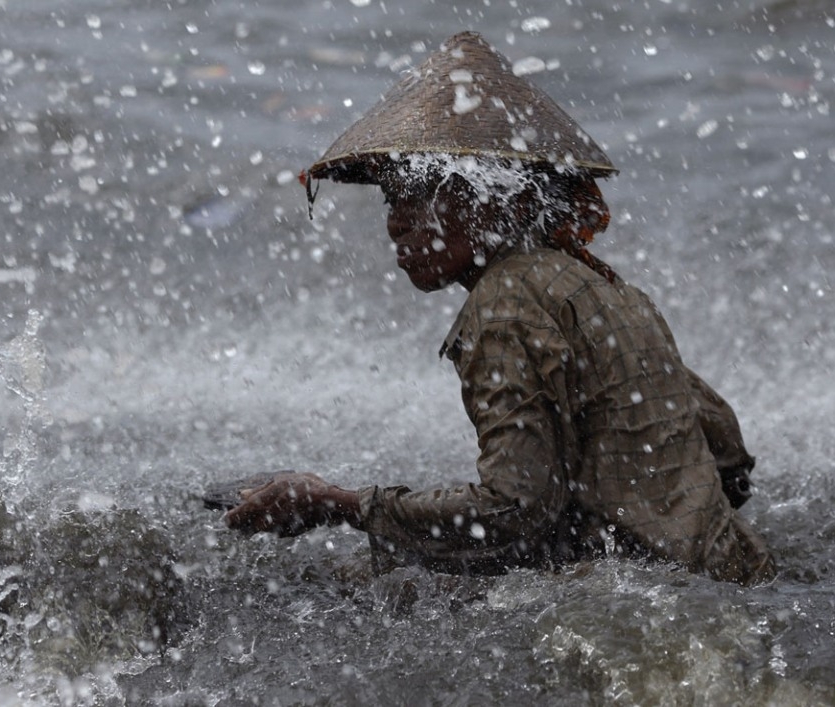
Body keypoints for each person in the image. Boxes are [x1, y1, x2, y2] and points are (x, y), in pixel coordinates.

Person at [205, 32, 776, 585]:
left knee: (358, 587)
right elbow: (726, 451)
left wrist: (340, 504)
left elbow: (514, 508)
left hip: (654, 602)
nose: (396, 222)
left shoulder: (502, 306)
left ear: (497, 200)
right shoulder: (608, 290)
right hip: (735, 573)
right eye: (389, 198)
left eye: (418, 193)